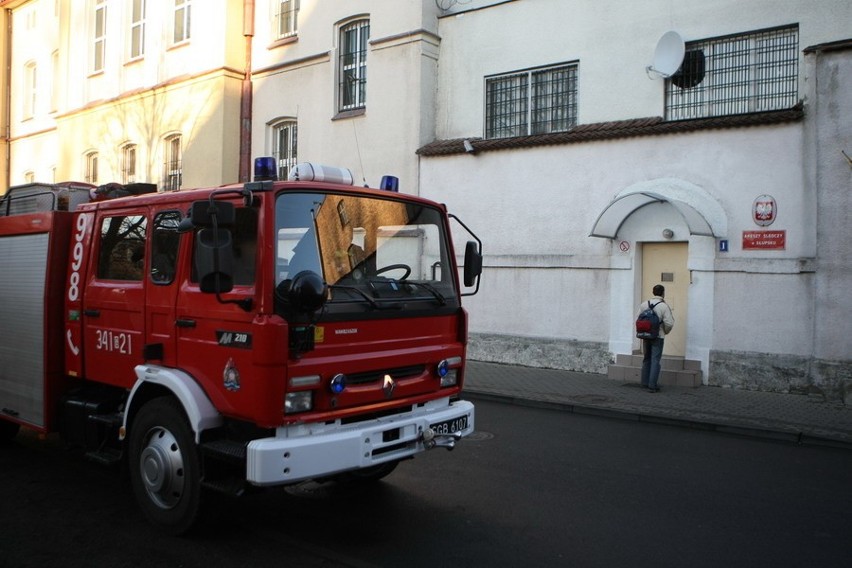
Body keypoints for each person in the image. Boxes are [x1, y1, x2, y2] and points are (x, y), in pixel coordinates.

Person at [637, 284, 674, 393]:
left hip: (645, 335)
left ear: (653, 292)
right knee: (655, 360)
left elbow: (638, 318)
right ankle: (652, 385)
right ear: (663, 293)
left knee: (646, 358)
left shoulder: (644, 304)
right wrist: (665, 331)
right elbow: (669, 323)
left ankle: (644, 382)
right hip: (658, 336)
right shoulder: (663, 306)